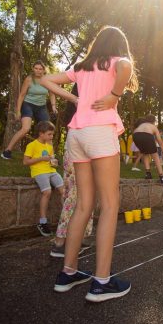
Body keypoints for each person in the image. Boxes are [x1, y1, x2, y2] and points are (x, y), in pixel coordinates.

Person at [40, 25, 138, 302]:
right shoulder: (115, 61)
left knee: (83, 204)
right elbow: (127, 65)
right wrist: (114, 96)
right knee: (109, 205)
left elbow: (46, 79)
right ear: (118, 45)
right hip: (99, 132)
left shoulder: (82, 66)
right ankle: (101, 282)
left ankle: (68, 273)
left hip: (76, 135)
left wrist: (74, 98)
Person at [50, 84, 92, 258]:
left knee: (76, 196)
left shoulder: (77, 105)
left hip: (73, 150)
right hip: (82, 152)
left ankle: (77, 238)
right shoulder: (86, 104)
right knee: (76, 198)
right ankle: (60, 242)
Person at [2, 61, 57, 159]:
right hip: (28, 105)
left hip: (41, 107)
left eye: (40, 69)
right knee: (26, 128)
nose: (38, 71)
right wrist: (18, 111)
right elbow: (22, 95)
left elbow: (52, 94)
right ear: (33, 69)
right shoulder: (29, 79)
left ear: (44, 70)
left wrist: (53, 106)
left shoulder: (48, 79)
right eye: (36, 68)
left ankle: (51, 157)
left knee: (48, 130)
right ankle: (7, 151)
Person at [22, 120, 63, 237]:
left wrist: (54, 162)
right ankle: (43, 222)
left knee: (64, 191)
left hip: (52, 171)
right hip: (39, 172)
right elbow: (25, 162)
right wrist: (41, 159)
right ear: (41, 133)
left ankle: (66, 216)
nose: (51, 136)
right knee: (47, 192)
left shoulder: (49, 146)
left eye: (52, 134)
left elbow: (52, 161)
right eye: (49, 134)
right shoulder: (32, 145)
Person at [133, 115, 163, 183]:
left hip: (135, 135)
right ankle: (162, 177)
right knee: (155, 156)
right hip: (146, 136)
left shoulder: (142, 125)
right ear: (154, 121)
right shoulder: (153, 126)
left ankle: (148, 174)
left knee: (145, 153)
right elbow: (160, 142)